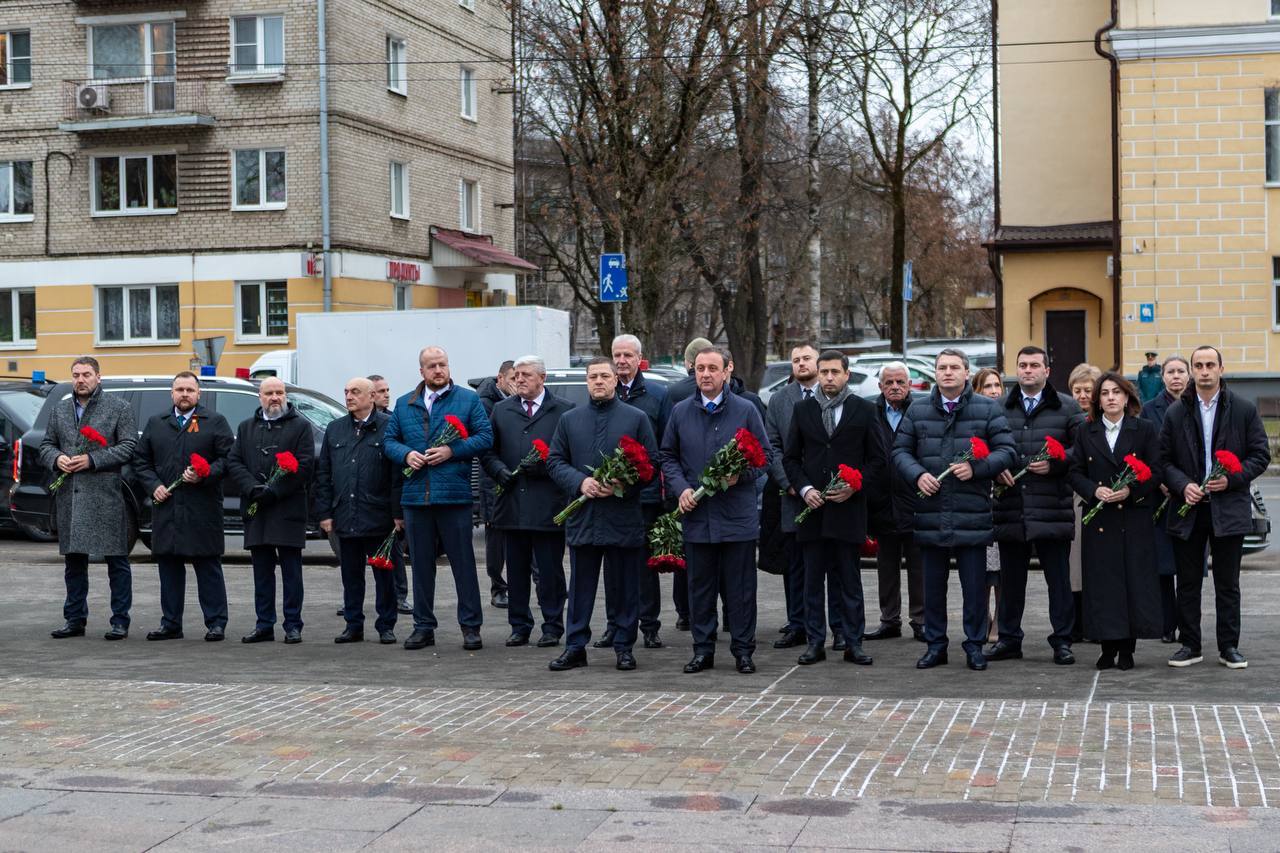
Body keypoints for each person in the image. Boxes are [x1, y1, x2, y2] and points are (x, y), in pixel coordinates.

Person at [892, 348, 1016, 671]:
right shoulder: (918, 411)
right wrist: (918, 475)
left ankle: (974, 646)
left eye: (954, 367)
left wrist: (978, 468)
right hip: (931, 514)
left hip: (971, 513)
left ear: (965, 371)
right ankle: (936, 645)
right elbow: (900, 452)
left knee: (974, 588)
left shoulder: (987, 409)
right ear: (935, 373)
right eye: (942, 367)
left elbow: (1007, 451)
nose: (948, 372)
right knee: (932, 587)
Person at [660, 346, 773, 674]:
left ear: (727, 371)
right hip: (697, 518)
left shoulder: (746, 409)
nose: (705, 374)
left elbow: (764, 457)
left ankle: (743, 650)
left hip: (736, 517)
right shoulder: (680, 411)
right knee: (700, 589)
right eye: (700, 368)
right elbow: (667, 455)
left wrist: (740, 476)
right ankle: (703, 650)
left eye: (712, 368)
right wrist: (681, 488)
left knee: (740, 590)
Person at [1159, 345, 1270, 669]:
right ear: (1193, 370)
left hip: (1228, 507)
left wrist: (1232, 480)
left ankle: (1228, 647)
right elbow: (1163, 460)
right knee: (1188, 581)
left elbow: (1260, 455)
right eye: (1198, 365)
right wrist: (1183, 485)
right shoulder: (1177, 412)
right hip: (1189, 507)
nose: (1204, 370)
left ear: (1221, 369)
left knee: (1227, 583)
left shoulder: (1243, 409)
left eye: (1210, 364)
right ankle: (1190, 645)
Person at [546, 357, 658, 671]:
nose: (599, 381)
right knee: (580, 587)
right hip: (584, 518)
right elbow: (555, 461)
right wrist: (580, 482)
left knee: (624, 586)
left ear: (615, 380)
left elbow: (651, 464)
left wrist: (623, 484)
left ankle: (624, 646)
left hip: (622, 516)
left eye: (604, 376)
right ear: (586, 381)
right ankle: (575, 646)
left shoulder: (636, 418)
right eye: (593, 376)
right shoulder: (570, 420)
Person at [384, 346, 493, 652]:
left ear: (448, 366)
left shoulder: (467, 399)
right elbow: (389, 442)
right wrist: (407, 454)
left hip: (454, 497)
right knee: (420, 566)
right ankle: (423, 627)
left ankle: (471, 627)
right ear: (422, 371)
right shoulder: (405, 404)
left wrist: (451, 451)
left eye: (442, 364)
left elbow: (485, 438)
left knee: (464, 565)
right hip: (416, 499)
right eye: (431, 366)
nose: (437, 370)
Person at [783, 350, 887, 665]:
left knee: (849, 580)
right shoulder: (803, 410)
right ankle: (815, 642)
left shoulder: (864, 410)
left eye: (834, 372)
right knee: (812, 580)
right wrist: (804, 489)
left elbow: (878, 460)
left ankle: (853, 642)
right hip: (813, 510)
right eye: (824, 372)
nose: (829, 378)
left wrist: (855, 486)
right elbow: (790, 458)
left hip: (848, 511)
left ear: (846, 374)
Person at [989, 347, 1085, 666]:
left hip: (1051, 507)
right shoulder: (1000, 407)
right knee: (1011, 580)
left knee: (1057, 581)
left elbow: (1082, 451)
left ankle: (1062, 640)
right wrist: (996, 466)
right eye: (1022, 365)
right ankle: (1009, 639)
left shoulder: (1068, 408)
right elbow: (987, 447)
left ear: (1047, 370)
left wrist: (1057, 464)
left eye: (1034, 365)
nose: (1028, 370)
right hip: (1012, 506)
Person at [1068, 373, 1163, 670]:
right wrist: (1093, 490)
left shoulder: (1144, 429)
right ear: (1098, 400)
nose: (1110, 397)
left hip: (1133, 516)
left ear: (1126, 398)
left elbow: (1156, 470)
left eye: (1116, 392)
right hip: (1099, 517)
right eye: (1105, 393)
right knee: (1103, 584)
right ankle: (1106, 647)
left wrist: (1130, 490)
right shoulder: (1086, 431)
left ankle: (1127, 649)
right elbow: (1075, 471)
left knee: (1132, 582)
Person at [133, 371, 235, 642]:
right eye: (180, 389)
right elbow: (141, 461)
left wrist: (206, 473)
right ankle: (171, 624)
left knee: (207, 566)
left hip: (202, 507)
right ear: (172, 393)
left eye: (190, 390)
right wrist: (153, 484)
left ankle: (216, 623)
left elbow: (228, 460)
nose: (185, 394)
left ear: (199, 394)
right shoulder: (157, 423)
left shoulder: (214, 422)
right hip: (166, 506)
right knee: (168, 566)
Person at [41, 356, 138, 640]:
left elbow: (129, 446)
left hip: (104, 496)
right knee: (74, 563)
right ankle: (74, 619)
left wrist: (93, 460)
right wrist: (57, 458)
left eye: (86, 374)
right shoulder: (60, 410)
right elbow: (46, 444)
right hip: (71, 496)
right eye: (75, 375)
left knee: (117, 562)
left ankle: (120, 620)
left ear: (98, 377)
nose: (80, 380)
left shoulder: (119, 407)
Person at [482, 355, 572, 648]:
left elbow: (569, 458)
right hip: (512, 504)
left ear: (542, 378)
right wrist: (498, 471)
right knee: (516, 571)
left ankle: (552, 625)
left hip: (548, 506)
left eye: (525, 374)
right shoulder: (502, 410)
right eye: (516, 374)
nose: (519, 379)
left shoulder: (563, 411)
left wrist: (545, 467)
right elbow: (488, 452)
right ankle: (519, 626)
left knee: (549, 572)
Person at [767, 344, 845, 650]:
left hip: (835, 497)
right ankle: (798, 624)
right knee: (797, 568)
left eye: (806, 359)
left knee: (835, 568)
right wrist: (789, 483)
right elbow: (771, 445)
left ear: (820, 363)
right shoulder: (779, 400)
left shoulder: (838, 396)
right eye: (795, 360)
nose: (801, 364)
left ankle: (838, 627)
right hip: (794, 497)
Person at [315, 377, 404, 645]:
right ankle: (353, 625)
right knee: (351, 575)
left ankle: (386, 625)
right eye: (346, 392)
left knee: (384, 576)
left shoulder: (389, 427)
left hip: (378, 517)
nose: (349, 397)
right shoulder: (335, 429)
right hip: (345, 514)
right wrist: (324, 514)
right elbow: (324, 474)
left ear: (371, 396)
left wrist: (397, 514)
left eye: (355, 392)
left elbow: (397, 474)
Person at [228, 377, 315, 644]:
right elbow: (234, 461)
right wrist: (252, 488)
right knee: (261, 572)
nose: (274, 397)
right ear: (260, 397)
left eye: (279, 392)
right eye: (269, 393)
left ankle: (293, 624)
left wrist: (274, 490)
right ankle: (264, 623)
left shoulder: (301, 427)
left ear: (285, 395)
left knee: (291, 572)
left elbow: (305, 466)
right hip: (257, 511)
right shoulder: (246, 427)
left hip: (287, 508)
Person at [602, 334, 671, 650]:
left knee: (644, 564)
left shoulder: (657, 395)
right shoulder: (604, 393)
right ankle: (613, 624)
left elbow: (666, 447)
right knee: (612, 563)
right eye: (616, 355)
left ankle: (649, 625)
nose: (621, 361)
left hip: (643, 496)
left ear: (639, 358)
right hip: (608, 496)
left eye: (627, 355)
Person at [868, 362, 925, 643]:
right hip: (881, 502)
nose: (895, 387)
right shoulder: (870, 413)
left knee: (918, 567)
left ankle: (921, 620)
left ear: (910, 384)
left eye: (900, 382)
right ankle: (889, 620)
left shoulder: (920, 412)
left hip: (914, 500)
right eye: (889, 382)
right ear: (880, 387)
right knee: (886, 567)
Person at [1140, 356, 1191, 643]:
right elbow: (1149, 451)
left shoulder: (1197, 405)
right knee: (1163, 567)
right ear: (1162, 376)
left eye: (1180, 371)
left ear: (1188, 375)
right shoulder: (1150, 410)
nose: (1175, 377)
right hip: (1160, 496)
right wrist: (1160, 481)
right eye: (1170, 372)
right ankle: (1167, 624)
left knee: (1188, 567)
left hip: (1189, 495)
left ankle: (1187, 624)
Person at [368, 374, 410, 616]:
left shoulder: (393, 421)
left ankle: (400, 595)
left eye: (387, 389)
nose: (386, 394)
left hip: (388, 499)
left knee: (393, 551)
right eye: (381, 391)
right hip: (366, 500)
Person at [1066, 362, 1102, 643]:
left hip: (1100, 495)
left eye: (1087, 390)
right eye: (1076, 390)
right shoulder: (1068, 417)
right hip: (1073, 495)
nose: (1081, 396)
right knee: (1073, 562)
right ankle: (1076, 622)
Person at [476, 360, 516, 609]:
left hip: (516, 477)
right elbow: (488, 443)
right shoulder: (486, 403)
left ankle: (539, 581)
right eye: (513, 377)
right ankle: (498, 587)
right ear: (500, 378)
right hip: (493, 479)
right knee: (496, 537)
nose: (517, 382)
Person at [970, 367, 1005, 644]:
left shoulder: (1007, 417)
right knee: (980, 570)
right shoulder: (972, 419)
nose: (994, 391)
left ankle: (1000, 622)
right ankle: (983, 619)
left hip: (1004, 502)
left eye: (997, 386)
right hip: (978, 501)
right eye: (987, 387)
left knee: (1003, 571)